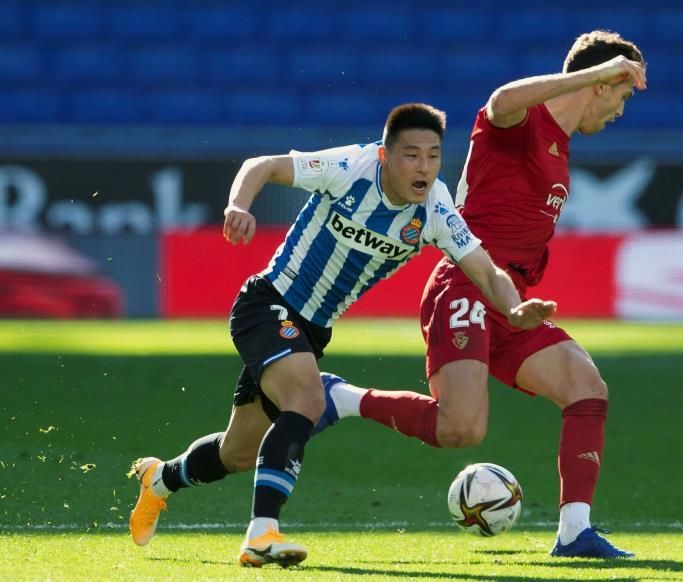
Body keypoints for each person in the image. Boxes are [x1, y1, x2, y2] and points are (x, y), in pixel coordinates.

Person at [127, 103, 556, 568]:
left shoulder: (435, 208)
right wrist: (237, 205)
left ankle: (161, 480)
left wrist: (514, 308)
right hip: (268, 304)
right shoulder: (350, 167)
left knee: (238, 453)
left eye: (433, 156)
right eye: (411, 155)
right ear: (385, 156)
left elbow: (485, 270)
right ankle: (261, 535)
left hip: (311, 332)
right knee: (308, 402)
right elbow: (263, 165)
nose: (424, 167)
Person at [318, 30, 647, 559]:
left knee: (587, 385)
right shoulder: (523, 122)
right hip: (466, 287)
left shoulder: (559, 148)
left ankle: (574, 532)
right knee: (461, 429)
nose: (620, 112)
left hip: (512, 302)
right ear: (603, 85)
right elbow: (500, 101)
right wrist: (593, 72)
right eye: (622, 95)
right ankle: (341, 399)